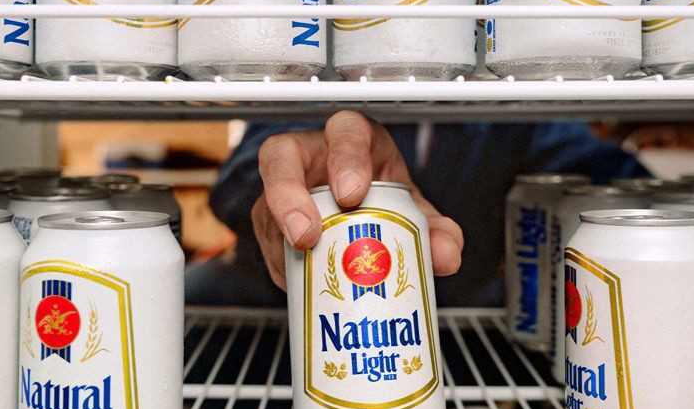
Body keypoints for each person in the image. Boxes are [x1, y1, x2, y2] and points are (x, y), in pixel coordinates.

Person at [187, 111, 649, 306]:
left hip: (456, 339)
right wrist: (283, 194)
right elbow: (236, 181)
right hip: (286, 334)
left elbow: (610, 174)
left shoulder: (508, 110)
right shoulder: (315, 75)